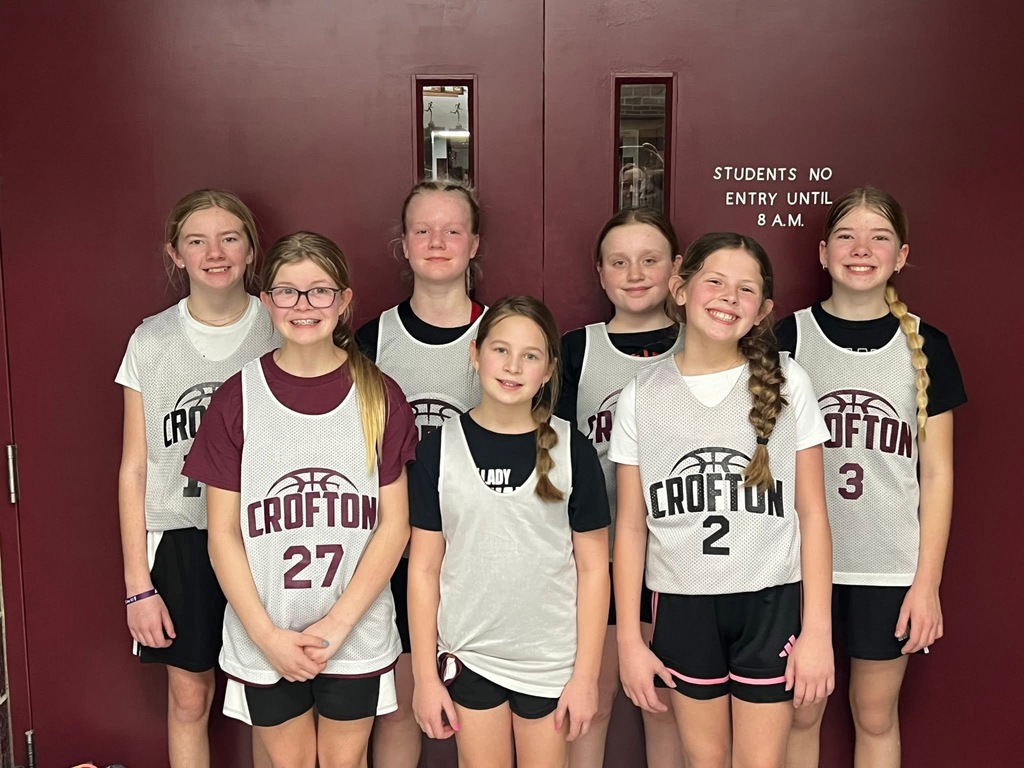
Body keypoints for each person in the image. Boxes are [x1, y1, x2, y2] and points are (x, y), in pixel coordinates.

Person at [184, 232, 417, 768]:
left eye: (319, 291)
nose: (303, 305)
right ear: (266, 302)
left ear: (344, 300)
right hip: (266, 630)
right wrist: (266, 636)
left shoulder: (380, 395)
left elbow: (393, 526)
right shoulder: (236, 398)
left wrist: (337, 626)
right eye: (287, 292)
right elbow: (222, 532)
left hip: (354, 629)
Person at [611, 233, 835, 768]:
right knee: (703, 759)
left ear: (764, 311)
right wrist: (628, 642)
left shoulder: (789, 383)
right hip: (683, 603)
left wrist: (818, 631)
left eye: (746, 289)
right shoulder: (642, 394)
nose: (728, 297)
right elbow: (630, 527)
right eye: (715, 281)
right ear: (680, 288)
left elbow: (813, 514)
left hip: (770, 600)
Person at [778, 187, 966, 768]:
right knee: (799, 712)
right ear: (822, 251)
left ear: (901, 255)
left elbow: (936, 476)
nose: (861, 249)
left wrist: (926, 582)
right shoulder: (787, 339)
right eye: (846, 236)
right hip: (796, 562)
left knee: (875, 714)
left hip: (887, 566)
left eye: (879, 237)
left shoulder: (928, 348)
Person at [408, 296, 611, 768]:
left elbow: (593, 569)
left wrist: (585, 676)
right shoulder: (440, 449)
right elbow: (423, 569)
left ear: (548, 370)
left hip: (550, 661)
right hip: (471, 654)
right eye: (501, 350)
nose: (513, 366)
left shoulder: (571, 450)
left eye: (531, 355)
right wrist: (424, 676)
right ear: (475, 353)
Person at [117, 189, 278, 767]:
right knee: (190, 697)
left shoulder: (282, 328)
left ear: (251, 249)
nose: (215, 252)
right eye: (197, 240)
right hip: (181, 539)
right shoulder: (151, 340)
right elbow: (135, 467)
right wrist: (138, 584)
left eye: (229, 237)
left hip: (265, 537)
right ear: (175, 254)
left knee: (271, 697)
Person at [355, 180, 485, 767]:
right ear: (403, 245)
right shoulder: (369, 343)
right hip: (397, 550)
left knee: (487, 710)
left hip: (481, 554)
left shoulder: (505, 337)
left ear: (475, 243)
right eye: (423, 230)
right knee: (405, 703)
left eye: (452, 230)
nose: (438, 242)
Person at [555, 208, 684, 768]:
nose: (635, 273)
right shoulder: (575, 351)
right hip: (599, 559)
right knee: (594, 702)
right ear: (600, 273)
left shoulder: (705, 343)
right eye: (619, 261)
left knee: (670, 707)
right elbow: (549, 463)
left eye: (650, 260)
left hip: (684, 560)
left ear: (677, 270)